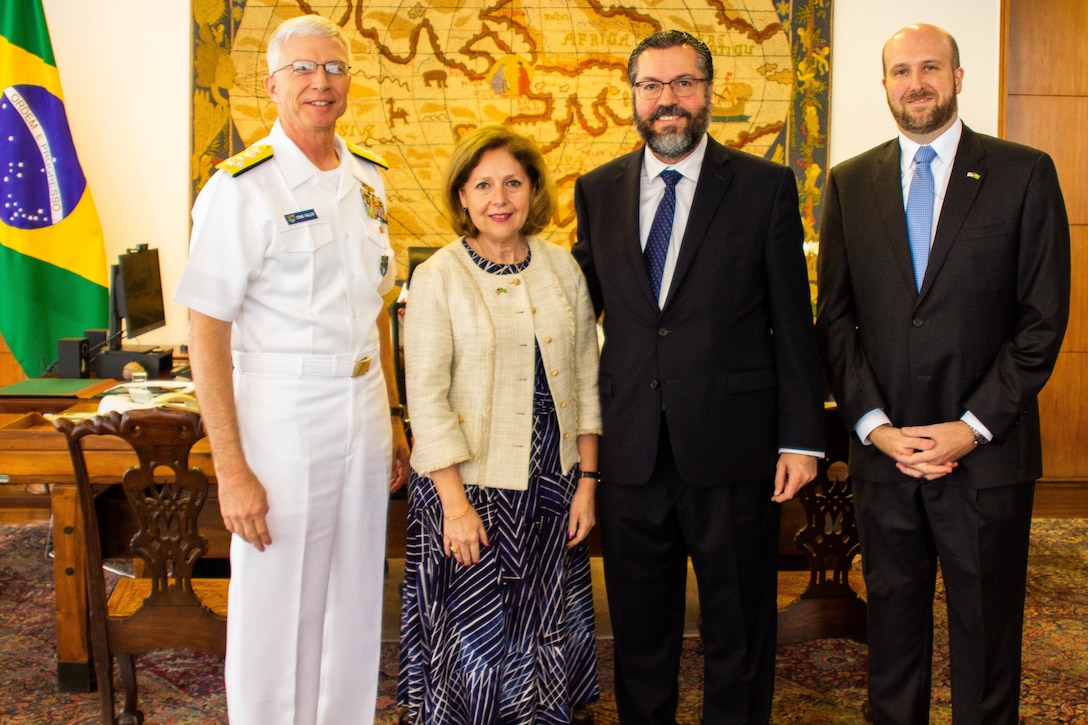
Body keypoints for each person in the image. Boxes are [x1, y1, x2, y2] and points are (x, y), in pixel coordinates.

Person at [816, 23, 1070, 724]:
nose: (916, 82)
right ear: (886, 84)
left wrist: (970, 427)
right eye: (902, 71)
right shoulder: (851, 182)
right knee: (892, 631)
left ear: (959, 77)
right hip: (885, 458)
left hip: (987, 457)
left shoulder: (1024, 173)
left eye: (931, 68)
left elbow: (1041, 320)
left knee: (987, 636)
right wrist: (873, 425)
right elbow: (835, 321)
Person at [571, 30, 825, 724]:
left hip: (734, 450)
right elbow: (572, 312)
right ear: (633, 98)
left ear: (709, 93)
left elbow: (792, 322)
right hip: (630, 453)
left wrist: (802, 437)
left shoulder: (764, 186)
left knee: (738, 629)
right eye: (652, 86)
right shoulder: (597, 190)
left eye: (684, 84)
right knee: (640, 631)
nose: (668, 101)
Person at [173, 15, 410, 725]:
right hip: (282, 410)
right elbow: (205, 330)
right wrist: (230, 466)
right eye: (303, 69)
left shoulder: (368, 177)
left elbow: (376, 308)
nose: (320, 82)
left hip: (363, 406)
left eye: (333, 68)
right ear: (272, 85)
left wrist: (394, 417)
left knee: (354, 592)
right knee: (278, 600)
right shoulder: (240, 188)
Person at [397, 125, 602, 725]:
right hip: (469, 489)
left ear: (533, 190)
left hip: (554, 484)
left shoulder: (563, 268)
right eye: (483, 184)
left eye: (513, 182)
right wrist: (455, 507)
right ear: (462, 195)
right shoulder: (438, 276)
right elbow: (426, 399)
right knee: (478, 633)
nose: (499, 197)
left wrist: (588, 481)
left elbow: (588, 382)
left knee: (543, 618)